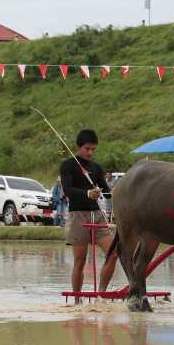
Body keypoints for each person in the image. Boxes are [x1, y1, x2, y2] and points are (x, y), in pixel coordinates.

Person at [60, 128, 118, 300]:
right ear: (79, 147)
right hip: (78, 215)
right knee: (80, 260)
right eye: (87, 149)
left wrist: (113, 193)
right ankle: (77, 299)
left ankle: (101, 292)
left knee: (113, 253)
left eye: (93, 149)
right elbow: (67, 190)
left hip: (97, 215)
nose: (90, 152)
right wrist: (87, 193)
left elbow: (106, 193)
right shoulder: (68, 165)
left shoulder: (96, 168)